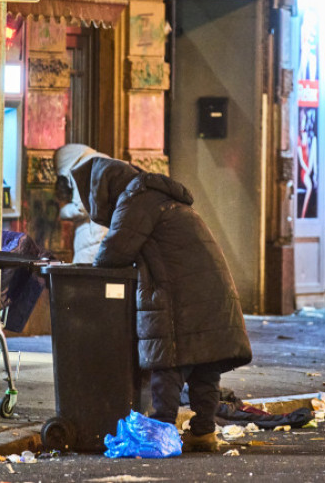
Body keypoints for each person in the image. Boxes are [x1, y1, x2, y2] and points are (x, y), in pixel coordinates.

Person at [71, 156, 252, 452]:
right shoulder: (158, 196)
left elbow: (114, 252)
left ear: (103, 189)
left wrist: (89, 275)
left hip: (181, 293)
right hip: (212, 289)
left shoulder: (136, 198)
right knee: (205, 362)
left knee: (169, 360)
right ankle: (204, 432)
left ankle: (163, 429)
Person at [53, 143, 109, 264]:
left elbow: (81, 207)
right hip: (109, 229)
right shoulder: (103, 159)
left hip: (92, 233)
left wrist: (62, 211)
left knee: (85, 276)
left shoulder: (82, 168)